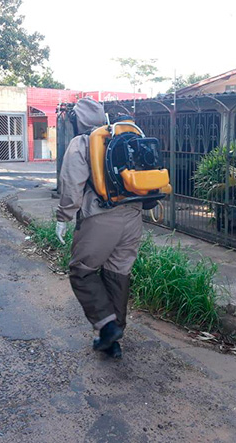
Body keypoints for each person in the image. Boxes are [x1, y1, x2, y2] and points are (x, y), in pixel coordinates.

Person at [56, 98, 143, 359]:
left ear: (76, 120)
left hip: (101, 217)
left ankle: (107, 327)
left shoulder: (82, 143)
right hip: (134, 216)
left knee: (81, 271)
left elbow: (72, 185)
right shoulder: (125, 137)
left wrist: (64, 217)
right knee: (117, 273)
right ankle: (114, 338)